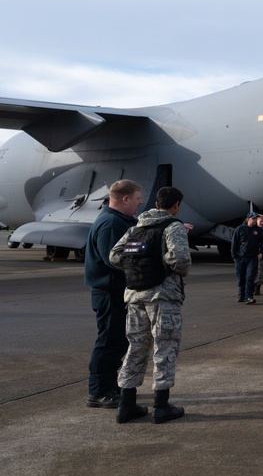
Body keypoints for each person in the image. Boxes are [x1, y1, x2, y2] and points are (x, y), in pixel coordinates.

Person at [110, 186, 192, 424]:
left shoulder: (137, 227)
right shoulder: (173, 226)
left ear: (156, 204)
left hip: (135, 296)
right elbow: (182, 261)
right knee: (164, 347)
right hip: (163, 297)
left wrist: (138, 265)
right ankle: (161, 405)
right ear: (176, 205)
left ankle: (126, 405)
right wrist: (162, 260)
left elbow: (114, 256)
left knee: (136, 347)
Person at [83, 179, 144, 409]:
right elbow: (116, 259)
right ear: (125, 199)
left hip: (116, 291)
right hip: (109, 292)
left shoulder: (121, 221)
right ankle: (97, 391)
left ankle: (109, 386)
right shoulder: (110, 224)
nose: (139, 204)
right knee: (108, 342)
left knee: (117, 341)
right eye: (137, 199)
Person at [230, 212, 263, 304]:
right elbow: (234, 243)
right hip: (240, 257)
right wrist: (235, 256)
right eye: (253, 219)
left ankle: (249, 296)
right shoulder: (239, 229)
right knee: (241, 277)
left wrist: (262, 252)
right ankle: (241, 295)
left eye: (256, 219)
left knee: (250, 277)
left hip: (252, 258)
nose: (255, 220)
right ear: (248, 219)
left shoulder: (258, 230)